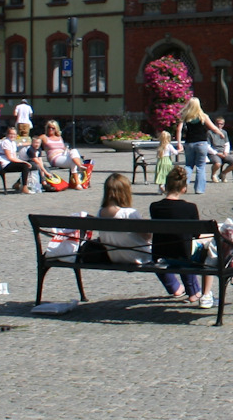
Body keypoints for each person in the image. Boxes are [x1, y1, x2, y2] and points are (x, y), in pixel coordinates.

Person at [149, 167, 216, 307]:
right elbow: (196, 234)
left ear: (166, 186)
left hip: (162, 254)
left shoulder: (154, 207)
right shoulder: (190, 207)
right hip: (184, 255)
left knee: (180, 242)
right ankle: (205, 294)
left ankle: (194, 291)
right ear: (184, 188)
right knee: (211, 245)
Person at [95, 174, 152, 263]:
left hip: (115, 257)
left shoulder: (100, 213)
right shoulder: (128, 213)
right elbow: (147, 237)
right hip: (139, 256)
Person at [178, 98, 225, 194]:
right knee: (200, 166)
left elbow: (179, 130)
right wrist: (220, 133)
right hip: (201, 143)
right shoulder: (203, 116)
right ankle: (199, 189)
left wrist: (179, 143)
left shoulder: (185, 116)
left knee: (188, 165)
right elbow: (213, 127)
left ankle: (183, 187)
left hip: (189, 143)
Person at [35, 120, 91, 189]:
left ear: (56, 129)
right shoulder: (44, 137)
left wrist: (67, 150)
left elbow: (64, 148)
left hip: (63, 155)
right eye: (49, 127)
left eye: (53, 128)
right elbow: (35, 141)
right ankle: (78, 174)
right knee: (73, 161)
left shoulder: (59, 138)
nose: (50, 129)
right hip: (54, 158)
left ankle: (78, 179)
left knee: (74, 151)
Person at [0, 127, 37, 193]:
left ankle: (19, 183)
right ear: (7, 134)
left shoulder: (13, 143)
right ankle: (24, 187)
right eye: (10, 134)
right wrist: (23, 162)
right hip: (4, 164)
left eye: (14, 134)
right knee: (25, 165)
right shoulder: (6, 142)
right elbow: (9, 157)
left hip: (10, 162)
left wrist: (24, 162)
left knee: (31, 165)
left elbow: (14, 157)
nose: (12, 136)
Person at [211, 116, 233, 182]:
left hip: (223, 151)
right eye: (218, 123)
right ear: (215, 124)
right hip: (214, 152)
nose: (219, 125)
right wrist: (217, 153)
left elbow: (227, 143)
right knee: (218, 163)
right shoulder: (210, 133)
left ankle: (223, 173)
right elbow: (208, 146)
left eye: (221, 124)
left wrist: (226, 152)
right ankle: (213, 175)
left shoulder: (224, 132)